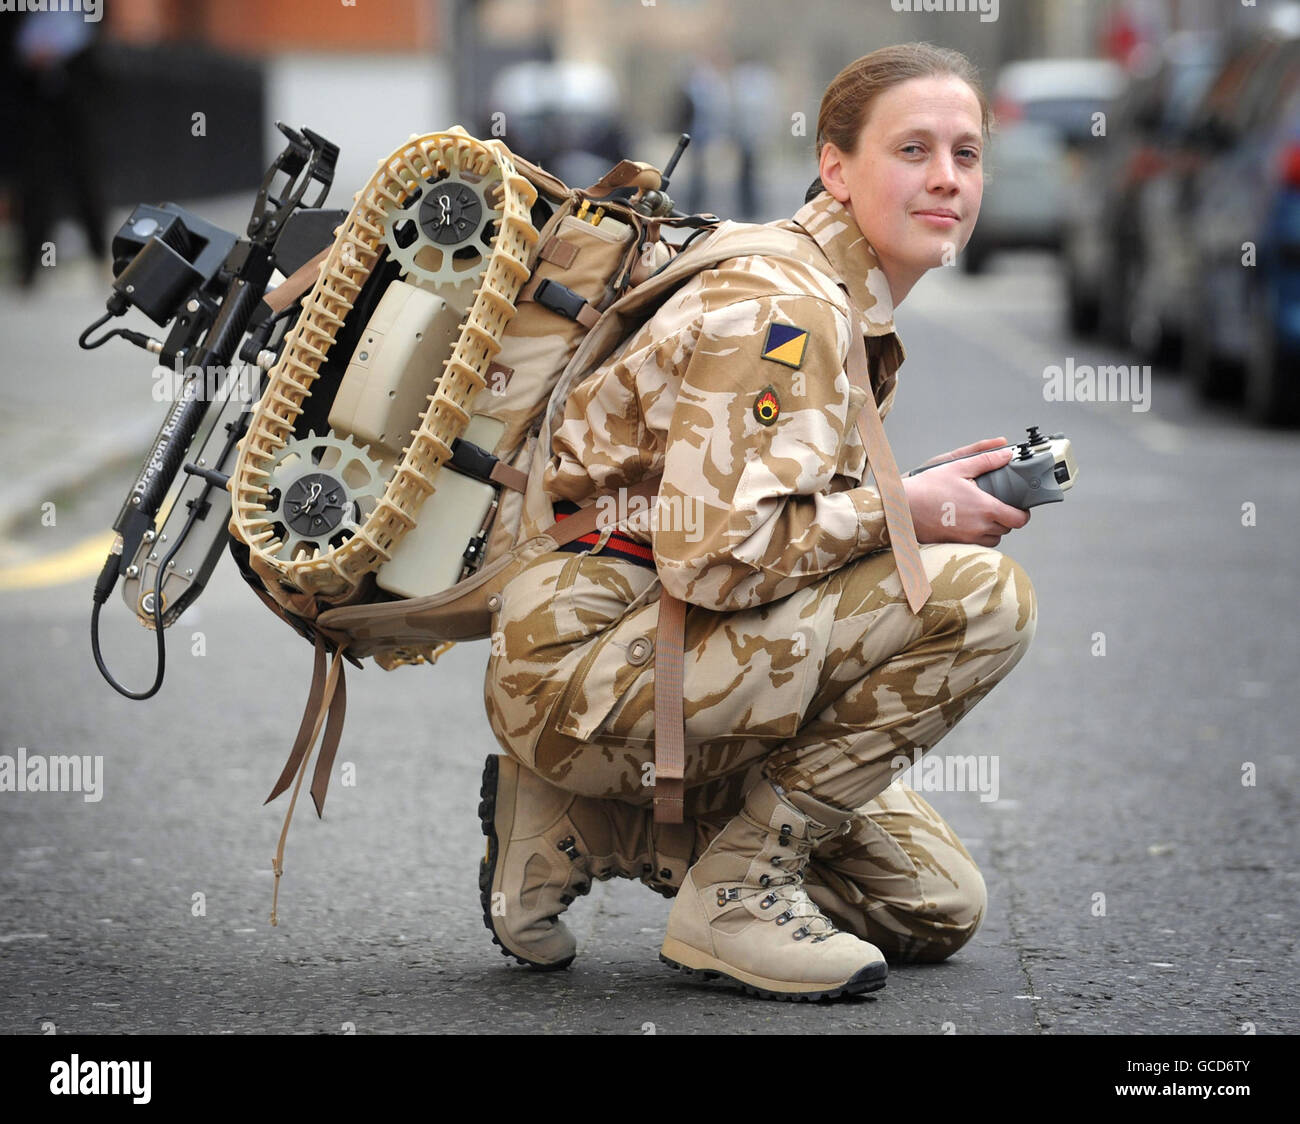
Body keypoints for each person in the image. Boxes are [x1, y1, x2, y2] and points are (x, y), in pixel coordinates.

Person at [479, 43, 1037, 1001]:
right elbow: (715, 560)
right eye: (913, 150)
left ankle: (581, 825)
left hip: (654, 647)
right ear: (835, 166)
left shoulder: (832, 297)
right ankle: (733, 894)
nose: (947, 177)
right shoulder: (785, 307)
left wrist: (908, 500)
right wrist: (905, 512)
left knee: (933, 908)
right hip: (585, 665)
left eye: (967, 153)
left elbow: (774, 519)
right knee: (982, 600)